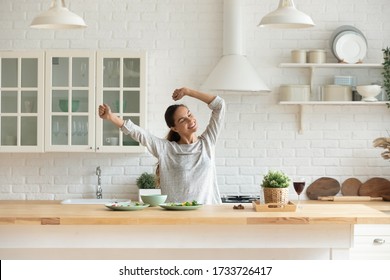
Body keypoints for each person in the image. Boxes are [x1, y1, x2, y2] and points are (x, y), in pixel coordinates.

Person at [98, 87, 225, 205]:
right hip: (176, 219)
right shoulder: (166, 149)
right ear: (174, 128)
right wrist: (111, 117)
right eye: (182, 120)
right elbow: (138, 133)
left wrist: (188, 92)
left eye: (189, 114)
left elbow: (219, 105)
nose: (190, 120)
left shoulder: (208, 142)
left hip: (208, 217)